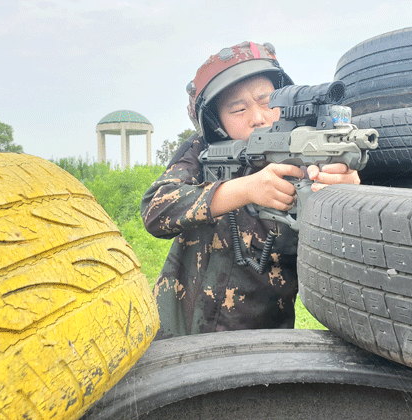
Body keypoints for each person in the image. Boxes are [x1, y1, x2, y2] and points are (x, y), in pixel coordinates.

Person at [141, 41, 359, 339]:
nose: (257, 117)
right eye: (239, 109)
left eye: (267, 102)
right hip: (177, 332)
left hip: (260, 346)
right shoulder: (201, 151)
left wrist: (349, 193)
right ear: (216, 122)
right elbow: (155, 209)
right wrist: (245, 189)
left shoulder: (312, 152)